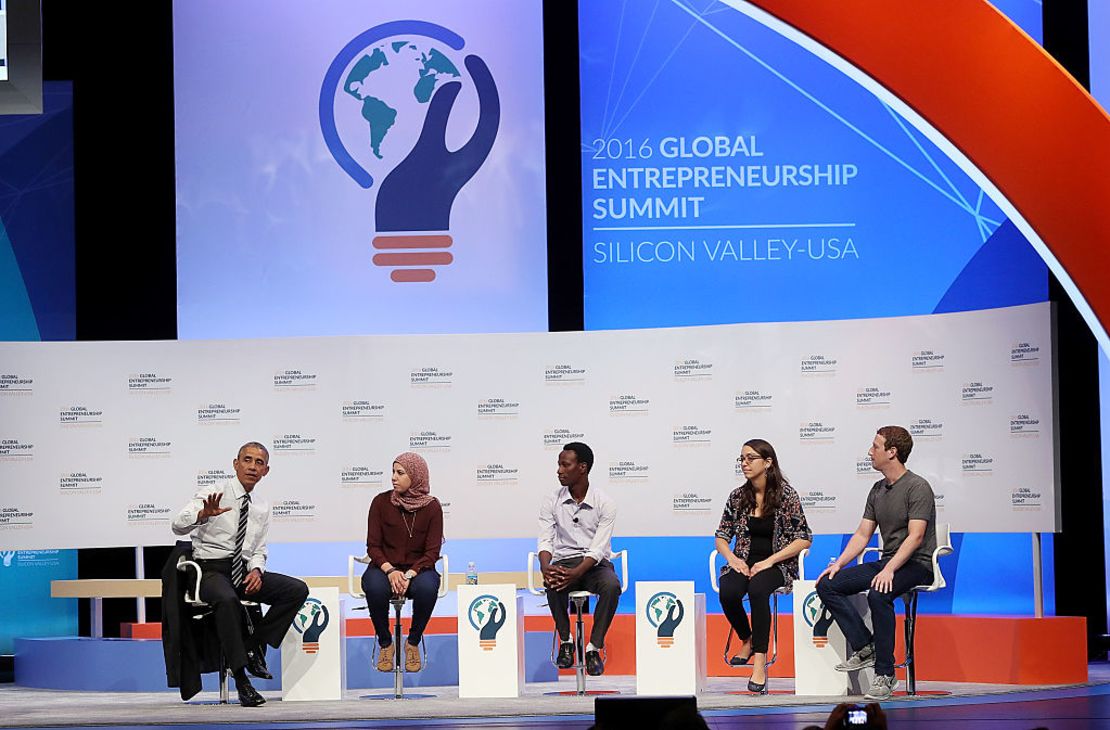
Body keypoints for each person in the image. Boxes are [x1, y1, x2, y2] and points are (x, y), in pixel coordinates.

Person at [171, 442, 309, 707]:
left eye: (259, 463)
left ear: (266, 470)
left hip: (243, 572)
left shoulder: (262, 505)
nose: (252, 467)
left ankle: (253, 644)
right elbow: (177, 525)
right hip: (211, 570)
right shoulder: (215, 492)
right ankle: (243, 681)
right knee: (227, 599)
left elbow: (258, 548)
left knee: (296, 590)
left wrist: (257, 569)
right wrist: (202, 514)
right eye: (247, 460)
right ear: (236, 463)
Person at [816, 426, 938, 701]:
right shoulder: (877, 489)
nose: (870, 452)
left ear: (892, 452)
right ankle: (865, 646)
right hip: (889, 561)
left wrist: (890, 569)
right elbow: (862, 534)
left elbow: (916, 537)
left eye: (875, 446)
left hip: (917, 564)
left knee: (879, 592)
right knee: (827, 584)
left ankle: (885, 674)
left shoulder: (918, 487)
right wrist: (839, 564)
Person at [715, 438, 812, 694]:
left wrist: (768, 561)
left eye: (750, 458)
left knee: (758, 590)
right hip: (743, 561)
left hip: (777, 565)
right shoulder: (737, 497)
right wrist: (733, 560)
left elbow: (803, 538)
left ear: (767, 463)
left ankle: (759, 661)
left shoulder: (787, 496)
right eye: (742, 459)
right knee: (728, 591)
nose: (744, 463)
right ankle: (746, 638)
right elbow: (721, 536)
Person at [537, 441, 620, 676]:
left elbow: (597, 549)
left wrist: (577, 573)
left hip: (594, 565)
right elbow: (545, 539)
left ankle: (593, 648)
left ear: (582, 467)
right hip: (565, 561)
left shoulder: (605, 503)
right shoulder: (551, 500)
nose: (559, 470)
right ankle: (566, 642)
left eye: (565, 465)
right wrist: (545, 567)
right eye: (559, 465)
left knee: (612, 586)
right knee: (552, 582)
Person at [361, 452, 444, 673]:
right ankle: (386, 644)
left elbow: (432, 551)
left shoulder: (432, 507)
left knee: (428, 587)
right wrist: (390, 571)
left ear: (416, 476)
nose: (393, 477)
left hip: (419, 569)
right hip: (384, 567)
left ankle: (413, 642)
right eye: (393, 472)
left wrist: (410, 574)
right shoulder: (380, 502)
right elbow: (373, 546)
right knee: (374, 586)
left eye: (400, 473)